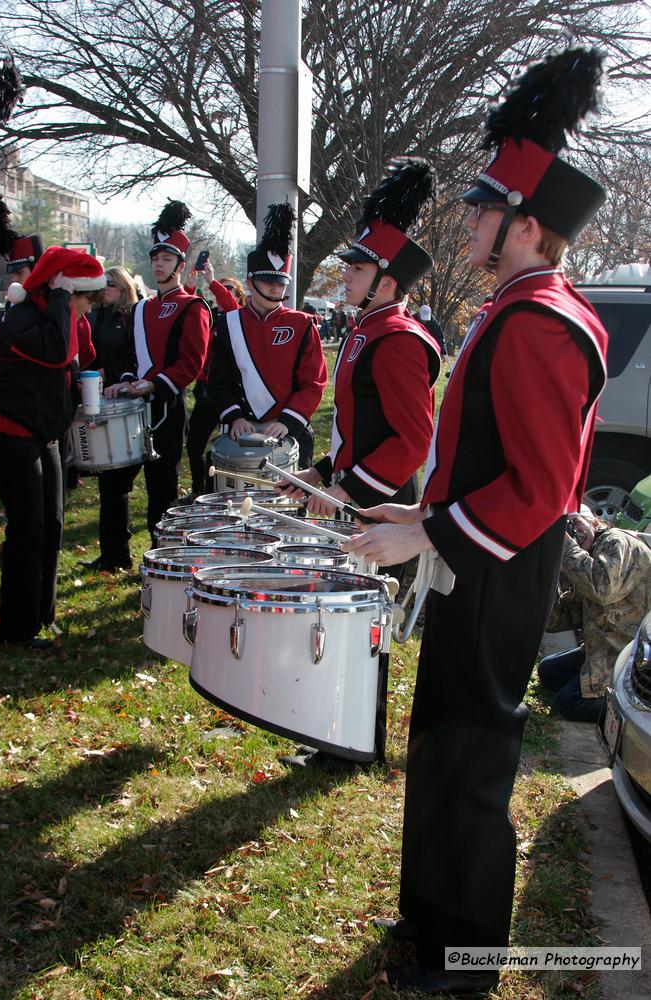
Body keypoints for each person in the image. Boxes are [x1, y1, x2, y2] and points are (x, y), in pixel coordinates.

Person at [342, 48, 609, 995]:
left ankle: (462, 958)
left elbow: (537, 486)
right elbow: (487, 462)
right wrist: (420, 508)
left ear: (527, 226)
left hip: (501, 568)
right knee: (441, 741)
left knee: (475, 754)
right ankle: (429, 919)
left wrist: (425, 534)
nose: (462, 226)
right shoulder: (514, 307)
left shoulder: (539, 319)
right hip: (475, 554)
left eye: (480, 212)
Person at [279, 158, 442, 768]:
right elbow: (356, 428)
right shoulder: (365, 330)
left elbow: (409, 440)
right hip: (356, 491)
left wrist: (348, 490)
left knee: (362, 616)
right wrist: (323, 471)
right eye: (348, 265)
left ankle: (352, 744)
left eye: (358, 267)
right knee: (346, 609)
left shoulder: (397, 339)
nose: (345, 274)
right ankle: (335, 733)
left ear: (388, 279)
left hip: (380, 500)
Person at [0, 246, 105, 648]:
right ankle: (16, 631)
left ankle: (41, 614)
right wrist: (60, 296)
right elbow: (55, 353)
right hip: (10, 433)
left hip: (43, 435)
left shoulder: (58, 319)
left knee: (51, 524)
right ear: (67, 292)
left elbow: (72, 359)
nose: (88, 308)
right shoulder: (23, 319)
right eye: (85, 299)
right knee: (27, 528)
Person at [105, 201, 212, 544]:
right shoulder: (141, 308)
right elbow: (128, 355)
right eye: (155, 258)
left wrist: (153, 385)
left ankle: (161, 554)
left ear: (180, 265)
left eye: (166, 259)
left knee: (161, 488)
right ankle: (114, 554)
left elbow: (191, 362)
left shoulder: (193, 306)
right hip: (134, 405)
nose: (158, 264)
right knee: (115, 481)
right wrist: (125, 382)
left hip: (166, 407)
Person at [207, 203, 327, 468]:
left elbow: (314, 382)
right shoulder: (229, 323)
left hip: (288, 431)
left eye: (280, 283)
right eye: (267, 282)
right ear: (250, 283)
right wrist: (235, 416)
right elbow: (218, 380)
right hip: (241, 432)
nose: (275, 289)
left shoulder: (303, 324)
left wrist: (287, 420)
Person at [538, 513, 651, 722]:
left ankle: (631, 717)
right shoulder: (586, 559)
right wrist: (553, 570)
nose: (574, 531)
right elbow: (558, 620)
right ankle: (593, 691)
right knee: (548, 671)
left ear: (595, 522)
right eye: (567, 528)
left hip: (631, 655)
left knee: (568, 702)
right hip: (604, 648)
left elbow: (602, 589)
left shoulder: (616, 540)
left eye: (577, 522)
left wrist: (567, 549)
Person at [79, 267, 140, 570]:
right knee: (109, 483)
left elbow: (133, 355)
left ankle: (118, 554)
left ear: (124, 287)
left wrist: (118, 376)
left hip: (126, 403)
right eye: (103, 285)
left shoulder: (132, 316)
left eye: (111, 285)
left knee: (117, 482)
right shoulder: (98, 315)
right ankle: (113, 553)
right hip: (101, 398)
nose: (105, 289)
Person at [184, 261, 245, 497]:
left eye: (229, 288)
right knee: (195, 444)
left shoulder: (237, 317)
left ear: (238, 297)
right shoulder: (214, 316)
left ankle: (227, 492)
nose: (223, 290)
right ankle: (199, 490)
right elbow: (189, 312)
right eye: (222, 286)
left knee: (229, 448)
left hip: (232, 393)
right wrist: (189, 288)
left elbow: (230, 306)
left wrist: (212, 280)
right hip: (207, 389)